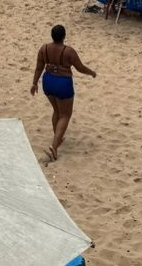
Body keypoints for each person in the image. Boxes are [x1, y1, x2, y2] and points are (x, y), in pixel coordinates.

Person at [30, 24, 96, 162]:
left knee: (56, 111)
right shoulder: (68, 51)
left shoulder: (44, 48)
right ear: (64, 36)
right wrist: (91, 73)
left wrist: (34, 83)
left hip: (48, 82)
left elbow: (38, 68)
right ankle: (54, 147)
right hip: (63, 83)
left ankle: (57, 137)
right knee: (65, 115)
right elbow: (80, 67)